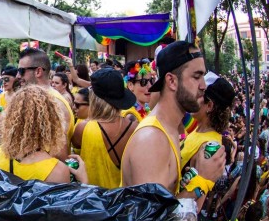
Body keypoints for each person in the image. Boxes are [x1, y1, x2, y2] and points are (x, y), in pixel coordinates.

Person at [121, 41, 225, 194]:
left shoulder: (170, 129)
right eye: (197, 77)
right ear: (171, 81)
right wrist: (201, 182)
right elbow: (154, 218)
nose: (203, 86)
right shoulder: (152, 140)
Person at [0, 85, 87, 183]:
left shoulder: (1, 154)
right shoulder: (57, 171)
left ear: (11, 117)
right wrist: (84, 181)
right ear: (52, 119)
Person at [72, 68, 137, 189]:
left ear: (94, 98)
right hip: (123, 201)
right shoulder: (134, 127)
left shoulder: (83, 128)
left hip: (93, 201)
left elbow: (75, 147)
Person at [178, 72, 236, 209]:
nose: (193, 97)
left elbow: (195, 206)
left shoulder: (210, 147)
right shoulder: (197, 130)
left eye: (198, 95)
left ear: (209, 106)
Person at [16, 48, 74, 160]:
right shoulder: (40, 99)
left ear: (38, 71)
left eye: (22, 71)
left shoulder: (54, 103)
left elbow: (59, 153)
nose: (18, 76)